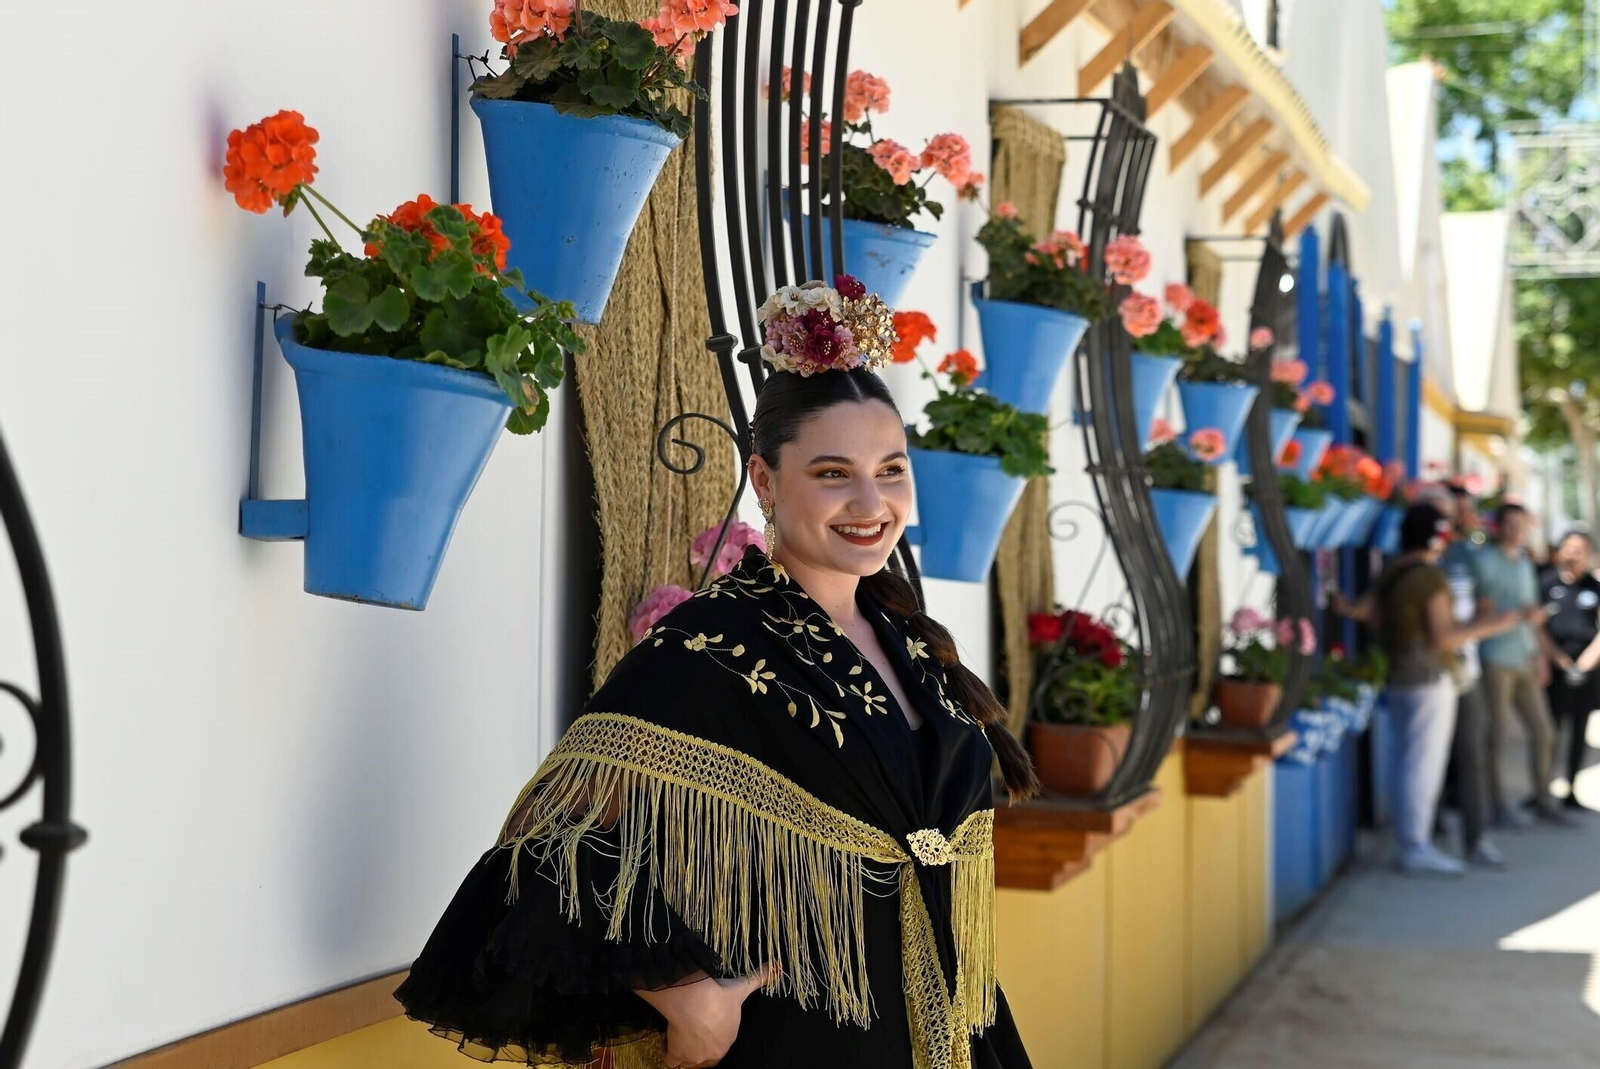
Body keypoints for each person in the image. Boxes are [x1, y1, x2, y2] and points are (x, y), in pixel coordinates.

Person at [393, 327, 1037, 1068]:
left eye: (891, 470)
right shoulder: (712, 646)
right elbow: (547, 850)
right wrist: (684, 992)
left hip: (956, 1037)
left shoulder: (911, 641)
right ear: (764, 480)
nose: (872, 500)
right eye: (833, 472)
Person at [1334, 504, 1529, 876]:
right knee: (1423, 764)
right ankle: (1416, 845)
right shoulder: (1428, 578)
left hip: (1399, 673)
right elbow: (1443, 636)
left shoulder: (1394, 571)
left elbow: (1364, 612)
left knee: (1410, 758)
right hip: (1428, 676)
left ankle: (1415, 841)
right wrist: (1493, 625)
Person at [1472, 503, 1572, 826]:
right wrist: (1513, 616)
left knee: (1545, 731)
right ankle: (1496, 806)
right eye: (1511, 523)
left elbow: (1533, 617)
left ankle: (1544, 800)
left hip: (1525, 656)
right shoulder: (1485, 562)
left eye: (1522, 524)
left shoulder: (1525, 564)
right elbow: (1481, 614)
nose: (1517, 530)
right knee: (1496, 735)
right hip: (1495, 657)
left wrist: (1540, 656)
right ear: (1499, 525)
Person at [1436, 485, 1507, 867]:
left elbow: (1485, 607)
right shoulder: (1420, 553)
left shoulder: (1470, 556)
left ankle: (1475, 838)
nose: (1459, 516)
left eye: (1463, 510)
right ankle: (1428, 832)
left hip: (1464, 667)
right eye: (1452, 510)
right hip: (1428, 671)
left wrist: (1467, 633)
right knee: (1429, 757)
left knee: (1471, 753)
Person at [1539, 529, 1600, 812]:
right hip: (1554, 667)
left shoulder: (1594, 586)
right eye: (1570, 548)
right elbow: (1537, 625)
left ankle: (1571, 791)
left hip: (1588, 669)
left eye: (1581, 549)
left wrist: (1587, 661)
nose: (1575, 554)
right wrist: (1557, 658)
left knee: (1579, 730)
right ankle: (1543, 790)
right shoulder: (1546, 582)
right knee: (1548, 730)